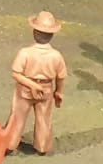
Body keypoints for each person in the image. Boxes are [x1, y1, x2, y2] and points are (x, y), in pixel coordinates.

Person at [8, 11, 66, 155]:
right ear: (52, 35)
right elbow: (61, 76)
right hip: (46, 89)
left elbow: (15, 73)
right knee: (44, 118)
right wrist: (59, 91)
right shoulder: (56, 56)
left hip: (25, 88)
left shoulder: (25, 53)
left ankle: (10, 143)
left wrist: (32, 84)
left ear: (34, 32)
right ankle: (42, 146)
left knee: (17, 116)